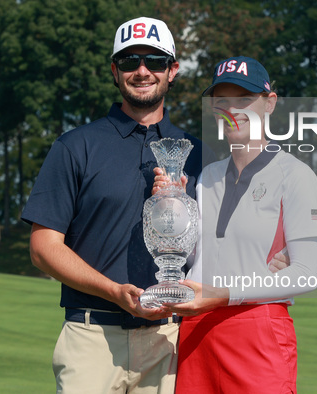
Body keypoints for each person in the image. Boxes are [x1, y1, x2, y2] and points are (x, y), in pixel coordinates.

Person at [21, 16, 209, 394]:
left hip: (171, 339)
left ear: (172, 70)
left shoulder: (199, 154)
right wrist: (113, 291)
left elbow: (220, 247)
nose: (142, 71)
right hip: (92, 337)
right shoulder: (76, 146)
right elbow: (43, 249)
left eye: (154, 61)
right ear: (114, 70)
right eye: (129, 61)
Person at [159, 56, 317, 393]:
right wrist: (168, 205)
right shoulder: (206, 177)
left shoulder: (295, 175)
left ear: (269, 103)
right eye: (222, 101)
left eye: (244, 99)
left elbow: (306, 273)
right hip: (196, 333)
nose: (232, 110)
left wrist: (225, 295)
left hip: (258, 333)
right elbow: (192, 258)